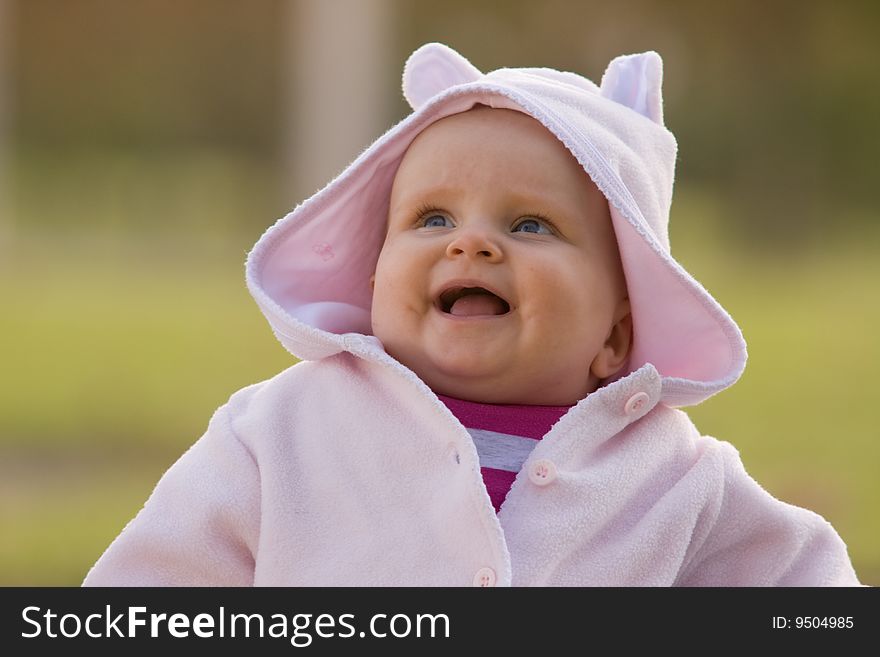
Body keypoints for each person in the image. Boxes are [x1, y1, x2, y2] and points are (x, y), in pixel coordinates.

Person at [83, 43, 860, 586]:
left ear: (616, 331)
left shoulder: (675, 478)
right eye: (431, 219)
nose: (473, 244)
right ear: (376, 269)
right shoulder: (277, 436)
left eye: (530, 225)